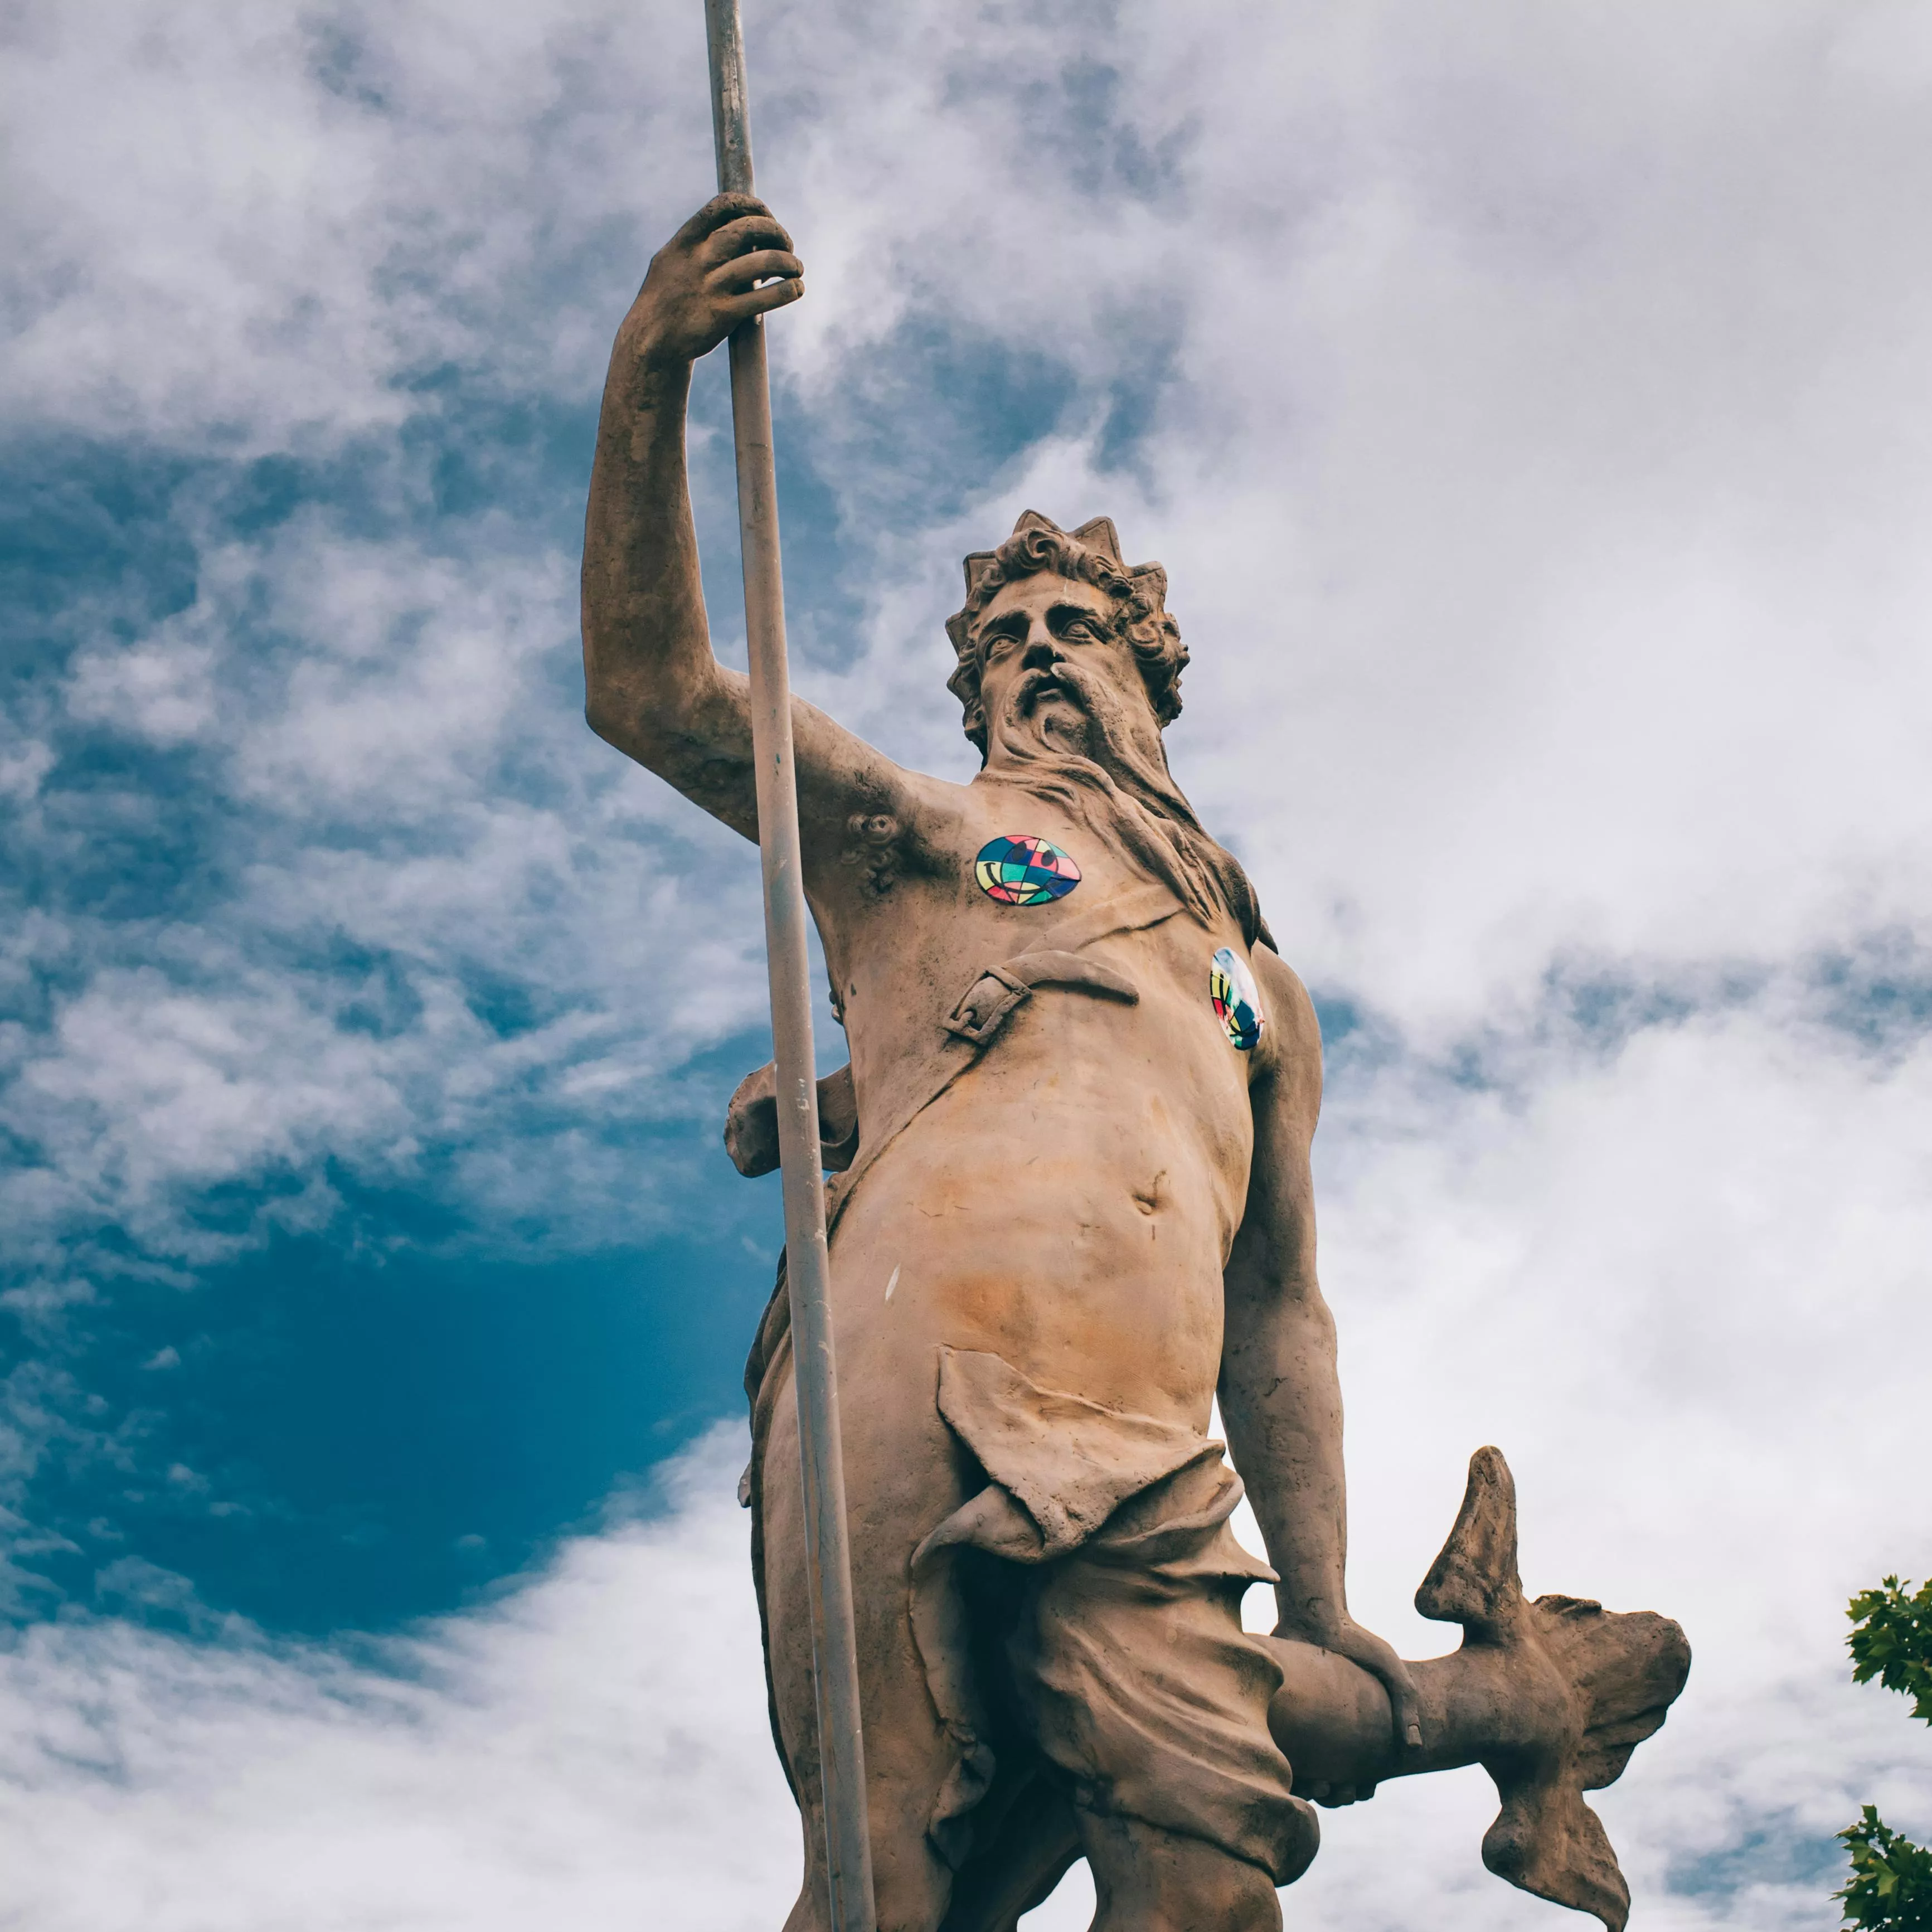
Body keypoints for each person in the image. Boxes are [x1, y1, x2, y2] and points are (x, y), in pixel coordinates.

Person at [582, 193, 1415, 1932]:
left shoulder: (1260, 992)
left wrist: (1327, 1607)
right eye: (1006, 640)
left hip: (1152, 1464)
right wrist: (650, 369)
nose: (1039, 652)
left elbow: (1280, 1309)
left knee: (1212, 1887)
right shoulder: (922, 838)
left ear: (1149, 680)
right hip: (915, 1382)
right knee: (889, 1888)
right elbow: (653, 691)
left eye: (1075, 629)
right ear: (972, 705)